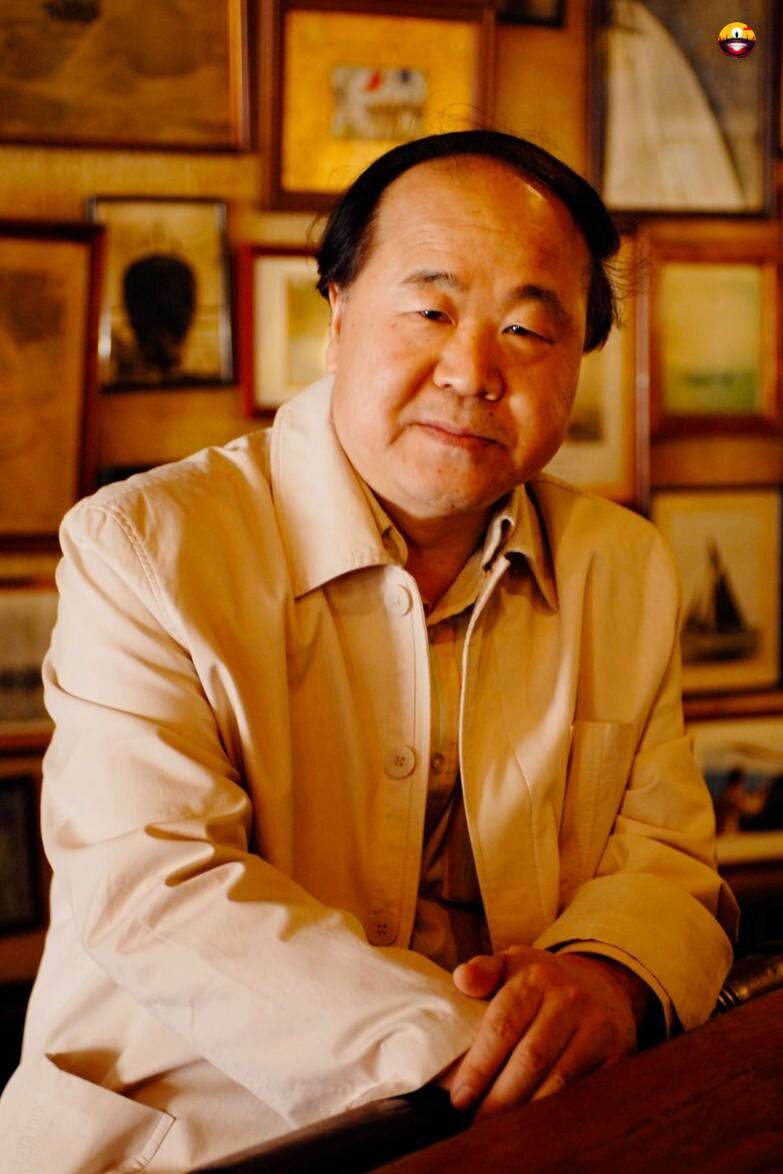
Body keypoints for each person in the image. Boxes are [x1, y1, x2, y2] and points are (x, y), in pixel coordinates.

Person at [0, 130, 736, 1172]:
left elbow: (662, 858)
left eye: (528, 329)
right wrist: (479, 1054)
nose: (473, 371)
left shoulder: (623, 566)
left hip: (528, 1130)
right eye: (430, 311)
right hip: (195, 1142)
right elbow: (156, 884)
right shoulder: (146, 546)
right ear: (337, 312)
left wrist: (607, 973)